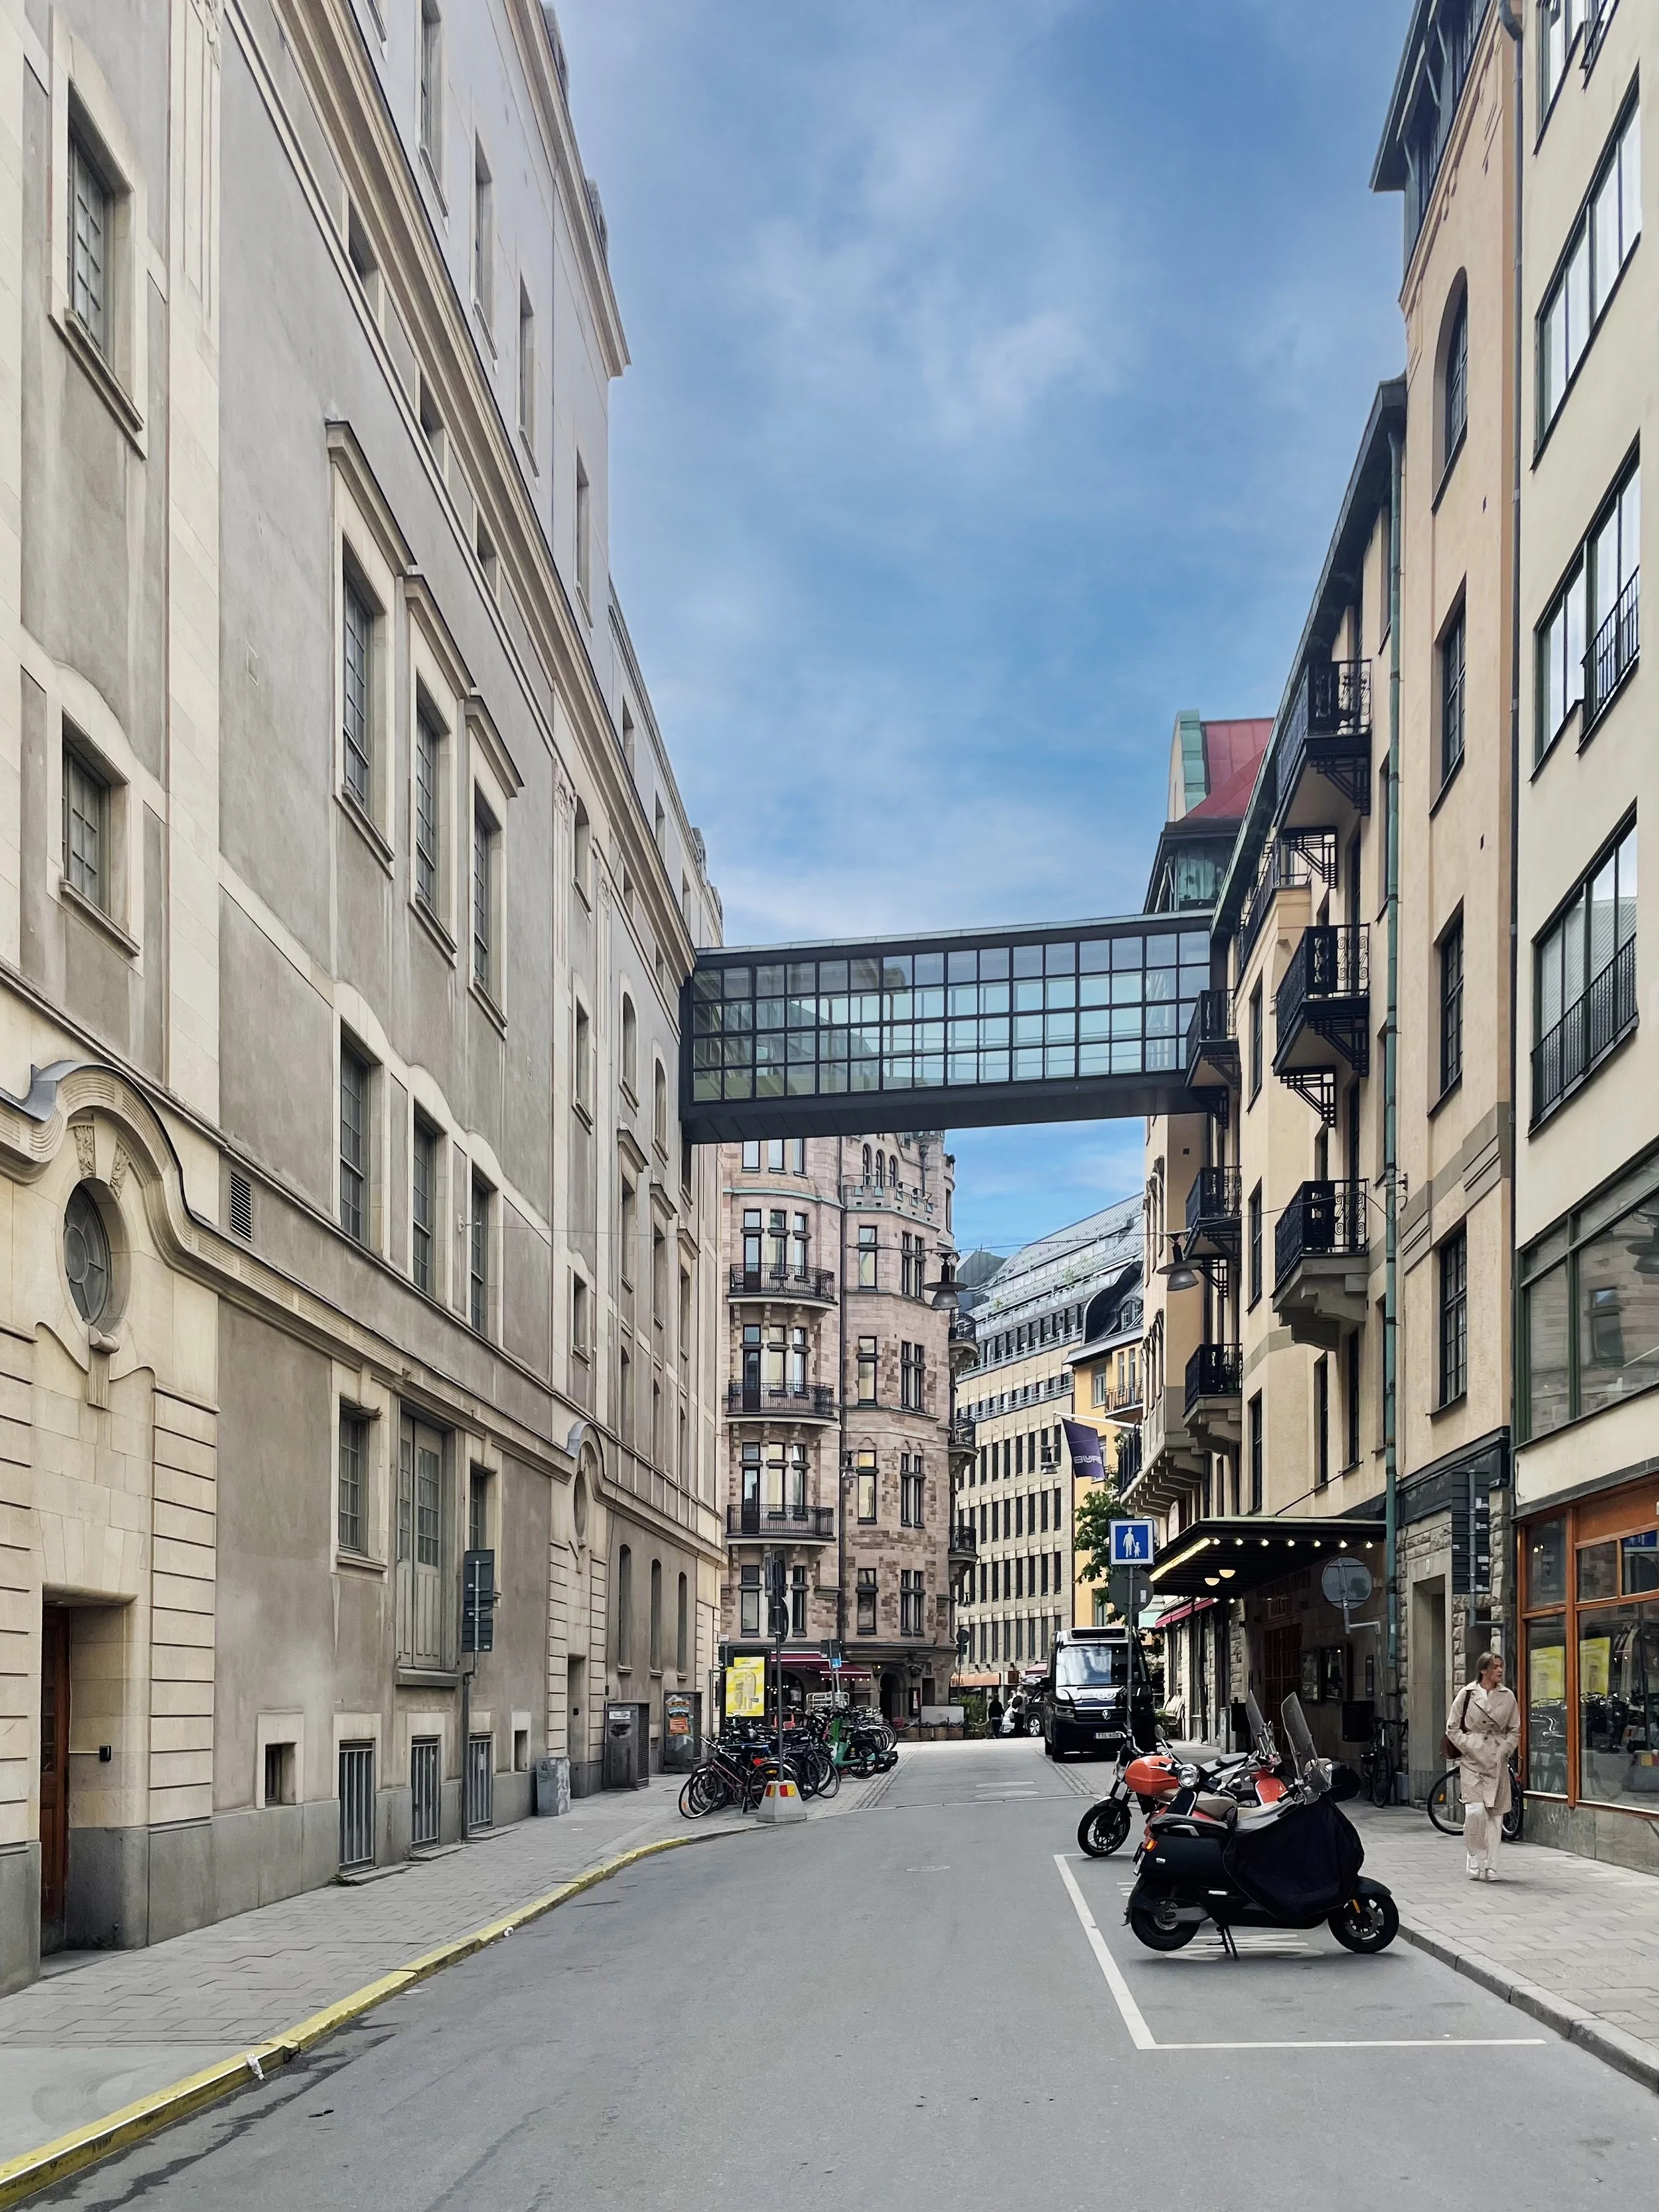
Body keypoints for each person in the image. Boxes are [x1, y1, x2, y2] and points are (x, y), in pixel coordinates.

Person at [1446, 1651, 1520, 1881]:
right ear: (1483, 1670)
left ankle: (1492, 1866)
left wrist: (1505, 1749)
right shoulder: (1467, 1694)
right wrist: (1469, 1745)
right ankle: (1473, 1854)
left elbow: (1515, 1729)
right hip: (1472, 1760)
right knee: (1475, 1811)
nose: (1500, 1670)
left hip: (1497, 1759)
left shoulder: (1508, 1696)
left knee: (1495, 1815)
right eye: (1495, 1666)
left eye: (1501, 1666)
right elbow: (1452, 1727)